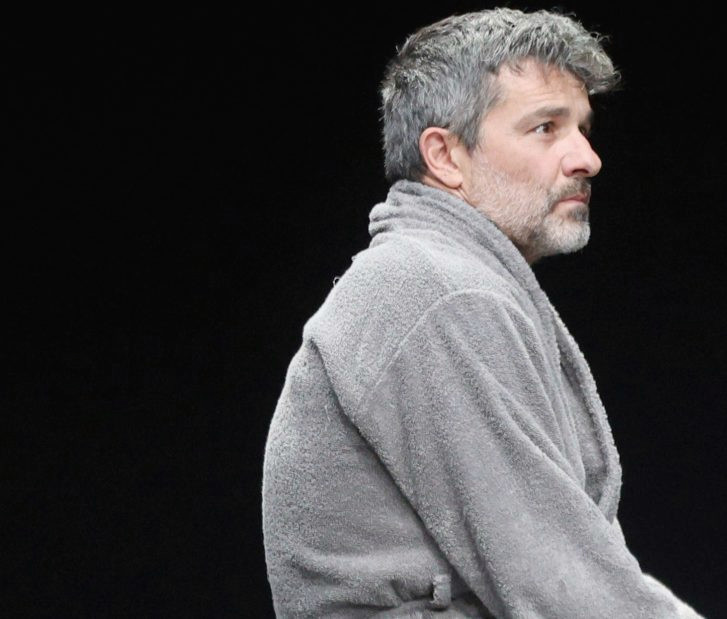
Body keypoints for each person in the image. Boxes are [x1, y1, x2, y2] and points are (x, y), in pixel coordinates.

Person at [262, 8, 704, 617]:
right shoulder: (436, 291)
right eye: (545, 128)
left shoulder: (438, 278)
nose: (587, 157)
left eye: (583, 128)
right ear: (445, 156)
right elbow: (556, 583)